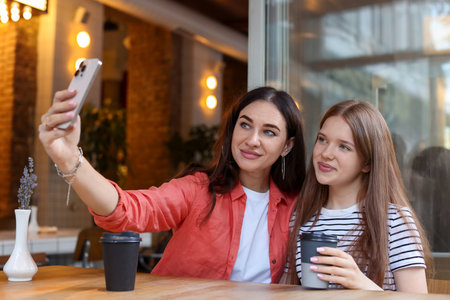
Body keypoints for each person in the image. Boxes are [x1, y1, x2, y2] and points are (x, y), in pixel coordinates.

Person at [39, 86, 306, 283]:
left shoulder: (298, 205)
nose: (252, 139)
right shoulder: (198, 190)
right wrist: (69, 158)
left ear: (288, 146)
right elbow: (127, 211)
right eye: (245, 125)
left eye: (269, 132)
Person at [284, 100, 430, 292]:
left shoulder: (395, 221)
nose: (326, 153)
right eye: (322, 139)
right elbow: (287, 291)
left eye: (344, 146)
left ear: (367, 163)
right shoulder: (301, 217)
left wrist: (360, 283)